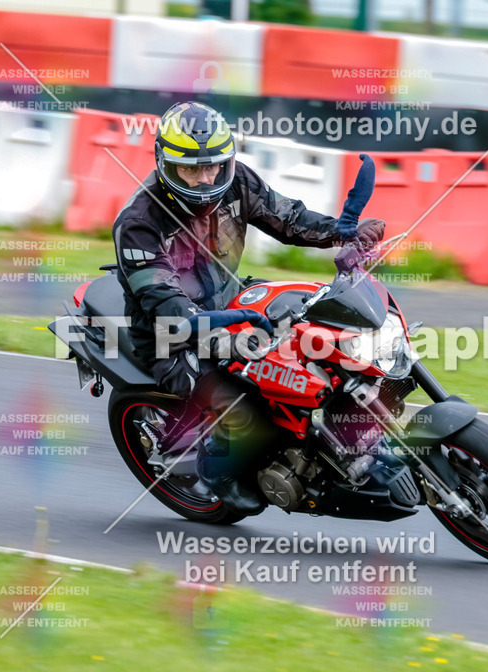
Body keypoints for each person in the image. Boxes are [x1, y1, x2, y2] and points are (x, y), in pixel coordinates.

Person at [112, 101, 384, 512]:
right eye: (191, 169)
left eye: (213, 168)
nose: (205, 180)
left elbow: (287, 218)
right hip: (171, 339)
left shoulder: (235, 181)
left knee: (323, 347)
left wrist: (342, 232)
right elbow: (169, 309)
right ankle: (219, 475)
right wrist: (225, 339)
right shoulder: (139, 224)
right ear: (166, 164)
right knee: (246, 412)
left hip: (237, 303)